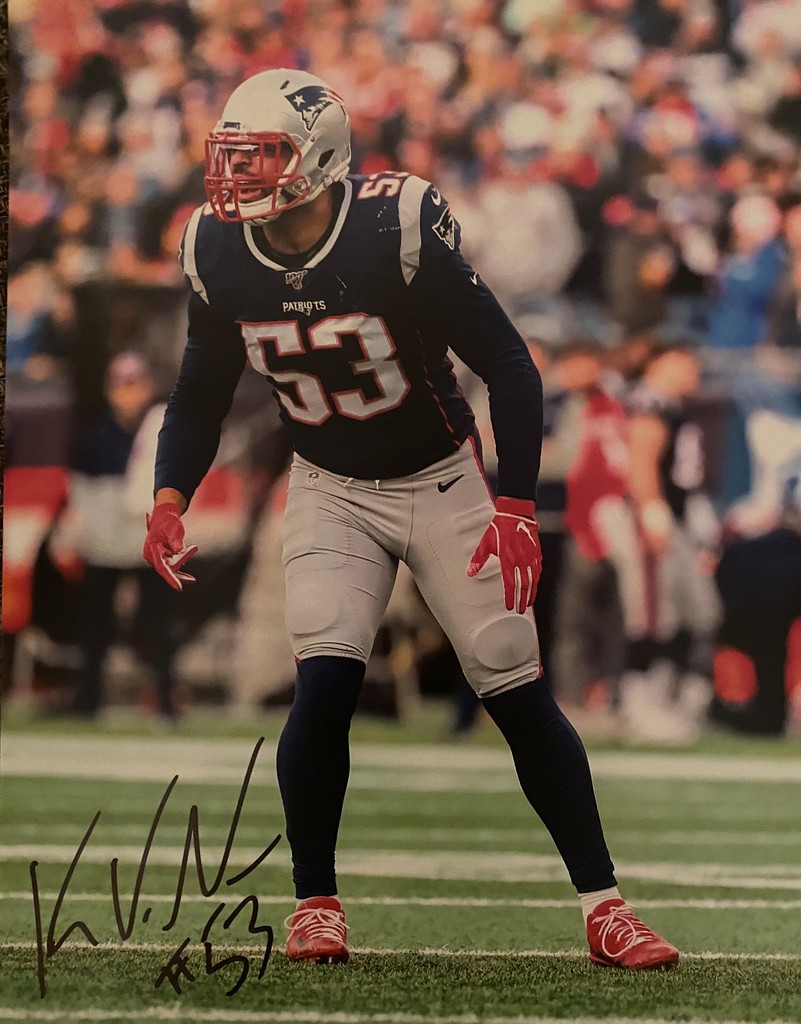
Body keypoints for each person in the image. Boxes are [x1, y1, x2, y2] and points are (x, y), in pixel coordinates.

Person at [143, 68, 678, 970]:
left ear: (318, 156)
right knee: (324, 685)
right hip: (328, 486)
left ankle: (604, 907)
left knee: (513, 688)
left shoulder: (393, 226)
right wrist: (170, 495)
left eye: (263, 154)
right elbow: (201, 390)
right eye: (232, 155)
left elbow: (509, 364)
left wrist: (514, 502)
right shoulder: (216, 247)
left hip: (441, 482)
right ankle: (315, 903)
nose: (239, 175)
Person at [55, 351, 181, 720]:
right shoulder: (95, 436)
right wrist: (81, 535)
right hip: (104, 543)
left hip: (147, 542)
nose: (128, 393)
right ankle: (87, 701)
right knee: (95, 625)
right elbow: (79, 490)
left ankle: (166, 701)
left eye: (135, 384)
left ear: (148, 386)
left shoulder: (162, 430)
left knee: (157, 624)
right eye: (122, 385)